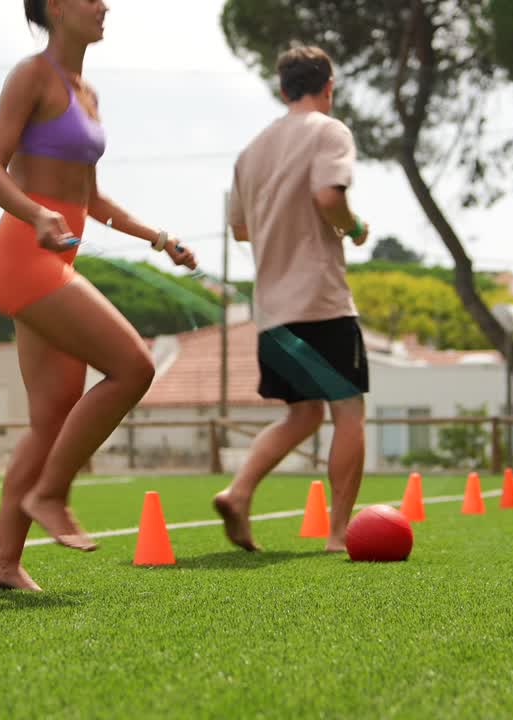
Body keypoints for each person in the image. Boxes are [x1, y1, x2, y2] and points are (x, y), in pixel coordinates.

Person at [0, 0, 197, 590]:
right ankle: (51, 493)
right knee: (133, 366)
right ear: (53, 7)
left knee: (50, 419)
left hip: (52, 259)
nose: (104, 4)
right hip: (24, 257)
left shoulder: (86, 93)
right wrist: (37, 214)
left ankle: (0, 561)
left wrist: (159, 238)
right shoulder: (31, 75)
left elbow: (92, 199)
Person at [213, 45, 370, 554]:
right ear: (329, 87)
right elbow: (329, 197)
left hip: (272, 311)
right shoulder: (330, 130)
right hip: (321, 301)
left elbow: (239, 228)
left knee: (302, 415)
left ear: (283, 90)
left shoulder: (251, 151)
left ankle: (238, 492)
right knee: (348, 411)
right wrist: (356, 226)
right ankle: (337, 534)